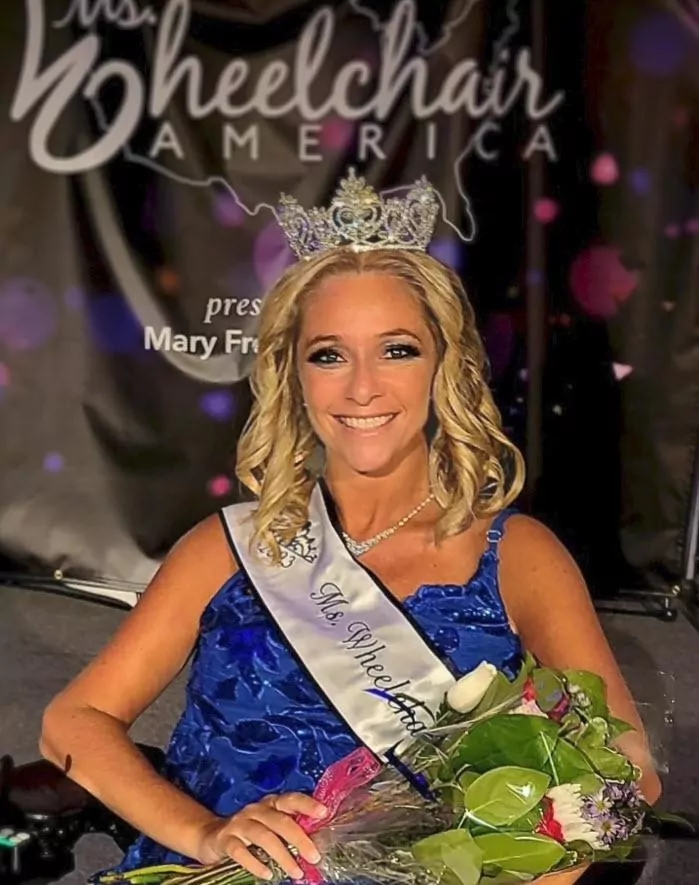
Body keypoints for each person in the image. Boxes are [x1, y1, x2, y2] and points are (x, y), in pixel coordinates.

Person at [39, 171, 661, 885]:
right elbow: (72, 720)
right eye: (327, 354)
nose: (361, 387)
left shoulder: (518, 556)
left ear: (444, 366)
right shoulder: (227, 546)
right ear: (291, 375)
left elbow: (626, 773)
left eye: (397, 349)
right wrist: (204, 832)